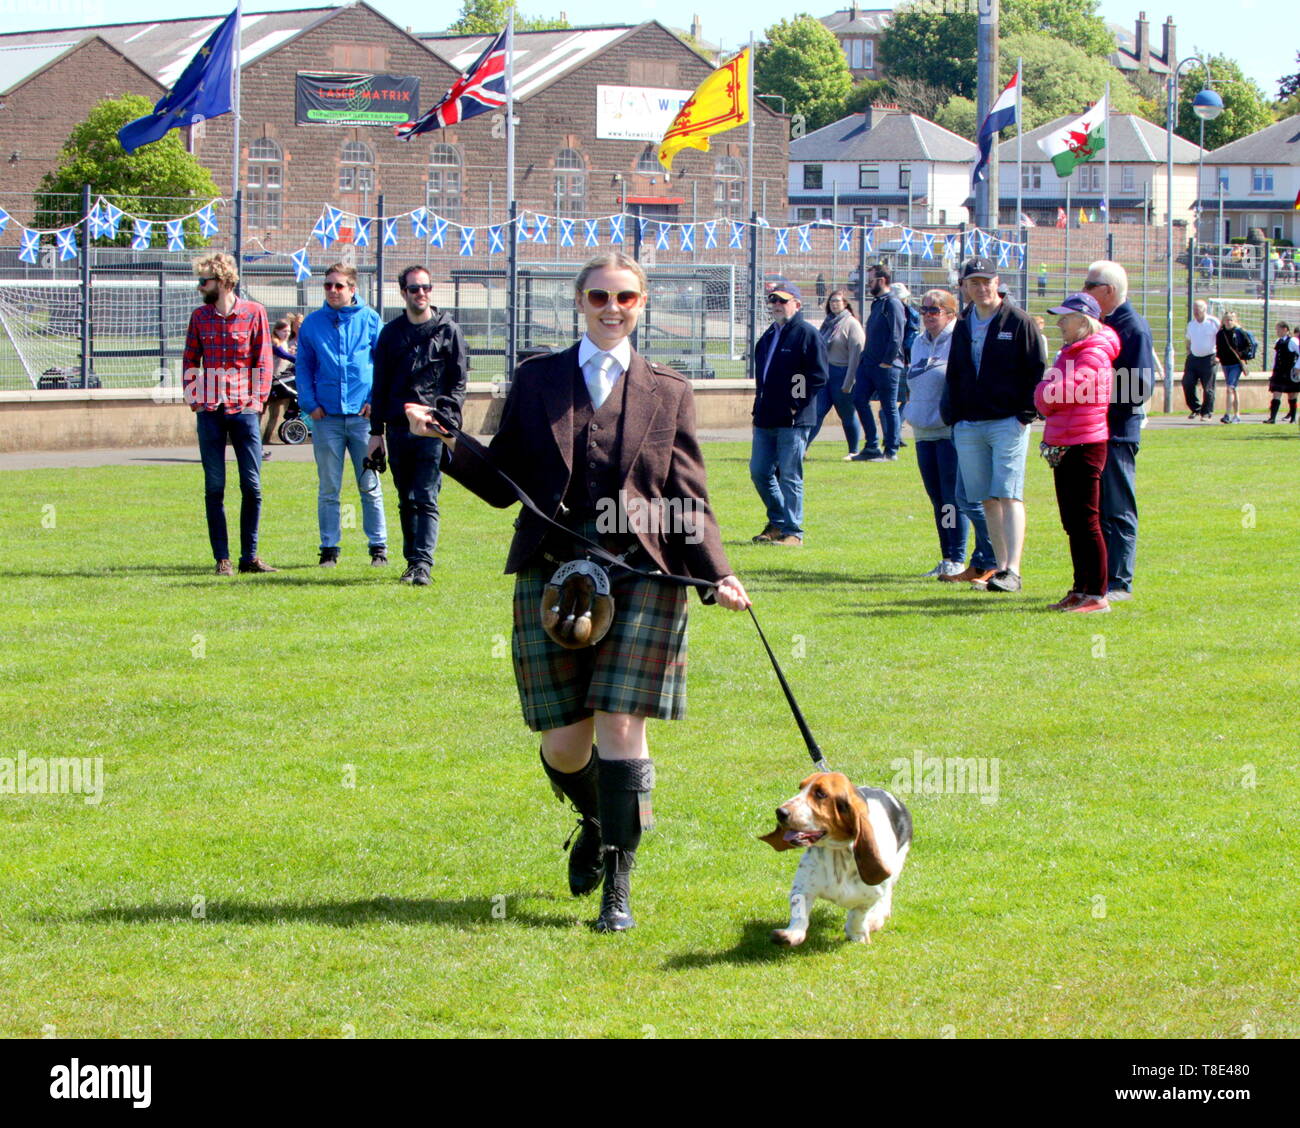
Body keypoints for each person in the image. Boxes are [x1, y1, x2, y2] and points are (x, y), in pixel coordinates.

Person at [409, 252, 751, 933]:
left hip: (643, 571)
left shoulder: (670, 389)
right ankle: (599, 819)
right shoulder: (538, 380)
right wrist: (447, 443)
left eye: (624, 297)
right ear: (579, 301)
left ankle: (617, 890)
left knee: (623, 728)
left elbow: (688, 497)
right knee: (565, 744)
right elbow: (503, 480)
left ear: (641, 303)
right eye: (599, 296)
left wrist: (717, 573)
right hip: (554, 571)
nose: (611, 307)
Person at [942, 256, 1046, 594]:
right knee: (986, 499)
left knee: (1008, 494)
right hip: (969, 425)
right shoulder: (963, 323)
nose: (982, 288)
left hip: (1007, 423)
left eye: (987, 281)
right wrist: (954, 417)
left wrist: (1023, 415)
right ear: (965, 287)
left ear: (997, 281)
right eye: (974, 282)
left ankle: (1013, 570)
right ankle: (999, 570)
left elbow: (1035, 371)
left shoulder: (1018, 322)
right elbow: (955, 373)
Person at [367, 265, 468, 585]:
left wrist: (444, 418)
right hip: (398, 427)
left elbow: (459, 382)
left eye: (425, 287)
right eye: (414, 289)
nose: (421, 293)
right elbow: (379, 386)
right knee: (405, 497)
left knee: (425, 495)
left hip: (432, 428)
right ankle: (412, 562)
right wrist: (375, 434)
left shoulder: (448, 329)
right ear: (403, 293)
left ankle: (423, 564)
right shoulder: (391, 333)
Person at [181, 252, 277, 576]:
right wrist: (194, 398)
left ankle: (249, 557)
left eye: (203, 281)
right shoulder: (200, 317)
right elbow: (191, 359)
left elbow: (263, 361)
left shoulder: (254, 313)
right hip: (210, 410)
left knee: (252, 485)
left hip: (244, 409)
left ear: (222, 281)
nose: (200, 287)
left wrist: (257, 402)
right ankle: (222, 558)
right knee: (214, 486)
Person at [295, 263, 388, 567]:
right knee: (329, 487)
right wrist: (310, 404)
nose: (333, 291)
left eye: (339, 286)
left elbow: (384, 364)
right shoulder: (312, 324)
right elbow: (304, 367)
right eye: (328, 285)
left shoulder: (370, 319)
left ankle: (378, 547)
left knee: (369, 484)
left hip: (362, 418)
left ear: (352, 289)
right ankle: (329, 549)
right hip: (327, 419)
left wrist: (375, 401)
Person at [1033, 292, 1120, 614]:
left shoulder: (1092, 353)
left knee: (1086, 521)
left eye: (1065, 318)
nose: (1059, 324)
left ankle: (1096, 594)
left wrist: (1042, 393)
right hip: (1067, 441)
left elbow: (1060, 391)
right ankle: (1081, 588)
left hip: (1084, 443)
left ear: (1083, 321)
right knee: (1073, 522)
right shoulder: (1073, 352)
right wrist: (1045, 393)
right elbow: (1051, 391)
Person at [1083, 261, 1155, 602]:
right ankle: (1099, 580)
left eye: (1090, 285)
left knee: (1118, 507)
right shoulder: (1102, 325)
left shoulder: (1132, 328)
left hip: (1118, 433)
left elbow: (1140, 387)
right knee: (1096, 509)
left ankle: (1120, 582)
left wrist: (1094, 392)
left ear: (1108, 290)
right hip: (1095, 430)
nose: (1084, 291)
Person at [749, 278, 828, 546]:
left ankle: (793, 532)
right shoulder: (769, 334)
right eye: (773, 300)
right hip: (765, 416)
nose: (777, 305)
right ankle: (778, 520)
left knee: (790, 475)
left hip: (793, 420)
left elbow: (817, 375)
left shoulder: (806, 333)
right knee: (759, 471)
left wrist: (795, 402)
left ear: (797, 303)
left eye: (782, 300)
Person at [902, 289, 966, 578]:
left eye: (934, 310)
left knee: (951, 497)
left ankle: (957, 557)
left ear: (950, 314)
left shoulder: (958, 341)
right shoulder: (918, 342)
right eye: (924, 309)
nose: (927, 315)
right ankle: (946, 556)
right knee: (937, 498)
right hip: (924, 430)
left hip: (948, 430)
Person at [847, 263, 906, 462]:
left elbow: (897, 334)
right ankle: (871, 445)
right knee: (858, 399)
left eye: (870, 280)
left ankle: (891, 450)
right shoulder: (878, 303)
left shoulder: (893, 303)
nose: (868, 284)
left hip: (886, 366)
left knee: (888, 406)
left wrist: (888, 361)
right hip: (869, 364)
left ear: (881, 280)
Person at [807, 289, 864, 459]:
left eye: (838, 301)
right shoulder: (828, 323)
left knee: (846, 414)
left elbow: (857, 353)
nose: (834, 304)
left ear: (845, 303)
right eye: (832, 301)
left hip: (843, 373)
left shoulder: (851, 324)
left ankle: (853, 450)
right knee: (817, 412)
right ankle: (801, 448)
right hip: (826, 374)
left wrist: (850, 381)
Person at [261, 317, 297, 454]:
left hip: (280, 381)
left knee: (275, 413)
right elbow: (284, 356)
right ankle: (258, 439)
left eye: (288, 331)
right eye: (283, 331)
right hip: (271, 381)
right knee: (265, 412)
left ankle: (267, 438)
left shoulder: (284, 343)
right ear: (276, 331)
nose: (287, 333)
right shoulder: (274, 343)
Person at [1182, 300, 1220, 420]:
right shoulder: (1191, 324)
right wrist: (1189, 353)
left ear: (1204, 309)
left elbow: (1221, 339)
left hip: (1209, 358)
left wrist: (1219, 355)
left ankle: (1207, 412)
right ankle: (1195, 408)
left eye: (1198, 309)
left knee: (1208, 387)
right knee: (1187, 383)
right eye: (1194, 309)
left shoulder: (1213, 322)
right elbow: (1188, 340)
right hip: (1194, 358)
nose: (1196, 312)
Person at [1215, 310, 1251, 424]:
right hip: (1225, 364)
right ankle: (1237, 414)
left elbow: (1249, 345)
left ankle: (1227, 414)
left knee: (1230, 388)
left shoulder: (1239, 332)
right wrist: (1218, 358)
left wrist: (1242, 355)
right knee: (1234, 389)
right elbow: (1219, 348)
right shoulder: (1220, 334)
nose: (1228, 322)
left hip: (1236, 364)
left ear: (1234, 321)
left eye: (1231, 320)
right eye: (1226, 320)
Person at [1263, 322, 1299, 424]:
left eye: (1278, 329)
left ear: (1285, 329)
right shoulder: (1278, 341)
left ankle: (1293, 418)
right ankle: (1272, 418)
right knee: (1276, 393)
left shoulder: (1292, 341)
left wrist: (1297, 367)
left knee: (1292, 396)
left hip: (1289, 372)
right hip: (1279, 372)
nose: (1277, 332)